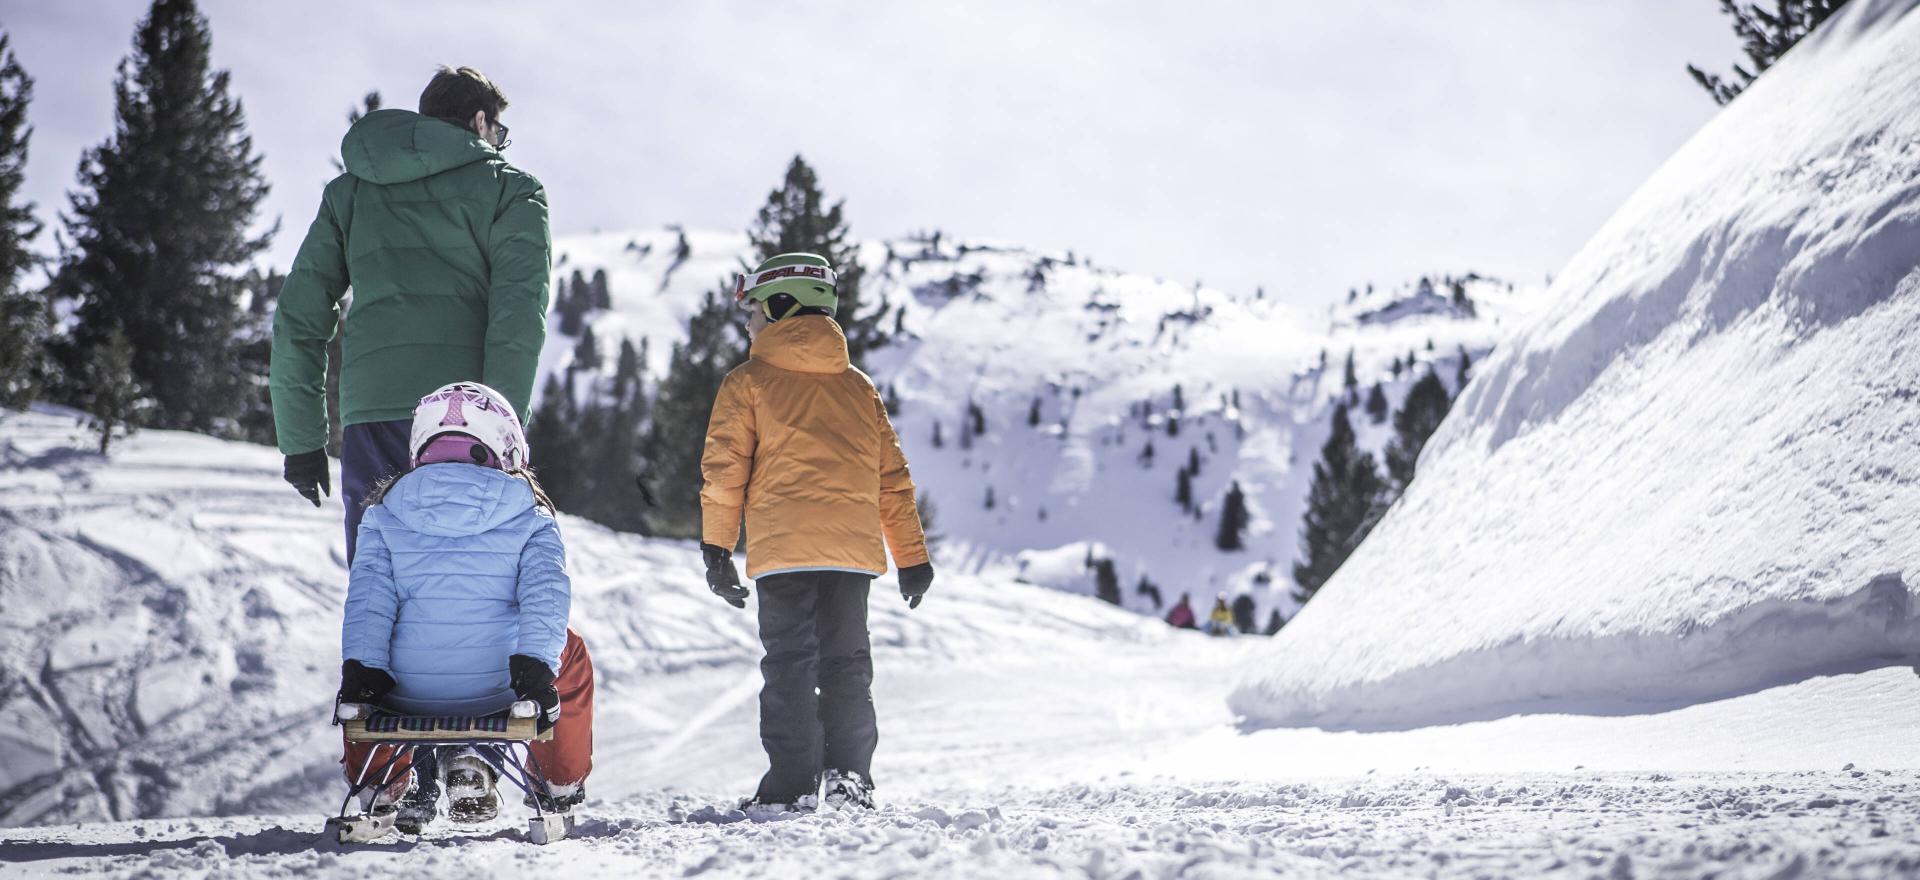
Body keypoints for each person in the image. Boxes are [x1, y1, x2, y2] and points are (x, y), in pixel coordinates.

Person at [270, 66, 550, 562]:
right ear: (480, 121)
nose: (498, 143)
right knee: (469, 595)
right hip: (467, 422)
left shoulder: (350, 193)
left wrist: (302, 440)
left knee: (379, 590)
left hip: (372, 418)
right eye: (498, 132)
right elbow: (518, 320)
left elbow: (299, 316)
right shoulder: (511, 189)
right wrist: (502, 432)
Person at [699, 253, 934, 814]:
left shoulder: (747, 382)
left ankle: (791, 785)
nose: (749, 324)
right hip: (851, 556)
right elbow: (892, 480)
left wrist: (717, 548)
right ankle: (850, 777)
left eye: (753, 312)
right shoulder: (859, 388)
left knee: (789, 665)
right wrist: (911, 557)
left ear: (781, 307)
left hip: (783, 554)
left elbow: (725, 470)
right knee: (847, 663)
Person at [337, 382, 594, 829]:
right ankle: (558, 783)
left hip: (405, 694)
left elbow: (367, 606)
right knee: (570, 650)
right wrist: (535, 669)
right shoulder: (530, 515)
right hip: (501, 689)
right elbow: (545, 599)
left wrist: (362, 678)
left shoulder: (382, 514)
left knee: (364, 661)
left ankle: (380, 783)